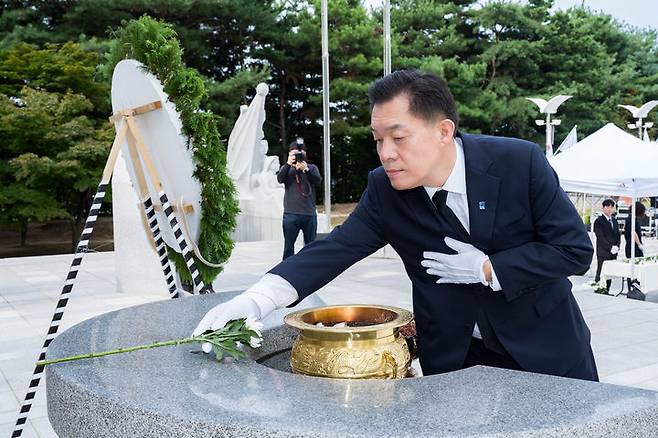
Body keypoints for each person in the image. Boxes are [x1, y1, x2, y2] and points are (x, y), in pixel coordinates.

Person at [194, 70, 597, 381]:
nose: (386, 154)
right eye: (377, 139)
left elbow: (574, 250)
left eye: (399, 138)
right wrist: (256, 300)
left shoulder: (517, 162)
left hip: (548, 352)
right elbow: (335, 249)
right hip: (456, 361)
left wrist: (487, 269)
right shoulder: (385, 189)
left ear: (443, 131)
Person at [276, 138, 322, 259]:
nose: (298, 156)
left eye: (300, 153)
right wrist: (287, 164)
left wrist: (305, 169)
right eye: (294, 153)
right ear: (290, 154)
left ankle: (309, 268)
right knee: (288, 247)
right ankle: (286, 270)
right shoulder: (287, 169)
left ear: (305, 154)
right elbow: (279, 179)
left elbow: (317, 181)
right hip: (291, 214)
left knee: (310, 246)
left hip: (309, 214)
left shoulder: (311, 168)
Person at [593, 199, 620, 292]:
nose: (610, 209)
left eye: (612, 207)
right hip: (603, 252)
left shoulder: (615, 221)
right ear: (603, 208)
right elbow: (600, 237)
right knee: (601, 272)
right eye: (607, 207)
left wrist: (617, 246)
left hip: (613, 252)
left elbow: (618, 235)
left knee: (610, 273)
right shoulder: (599, 221)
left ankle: (607, 290)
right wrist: (610, 247)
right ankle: (599, 289)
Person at [624, 201, 646, 290]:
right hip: (632, 247)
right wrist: (639, 244)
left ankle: (637, 286)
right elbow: (634, 233)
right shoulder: (630, 219)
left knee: (637, 268)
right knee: (632, 268)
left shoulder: (634, 218)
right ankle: (632, 287)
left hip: (635, 247)